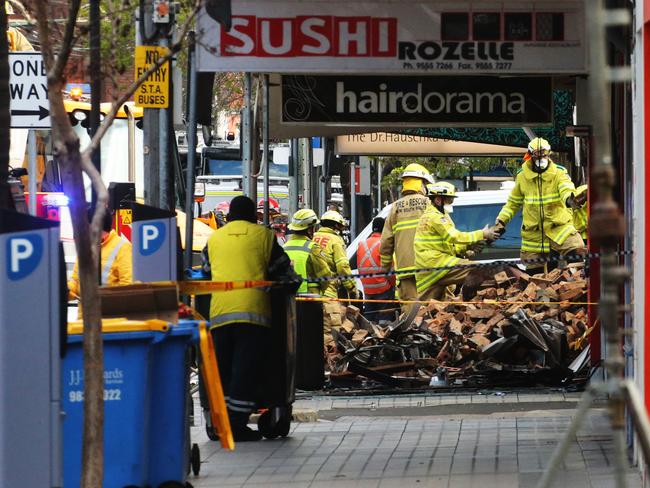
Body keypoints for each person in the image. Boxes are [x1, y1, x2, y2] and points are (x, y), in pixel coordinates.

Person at [203, 196, 299, 441]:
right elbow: (286, 275)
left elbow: (206, 273)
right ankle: (235, 426)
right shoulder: (265, 237)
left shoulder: (213, 240)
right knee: (244, 372)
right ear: (253, 216)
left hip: (219, 315)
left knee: (222, 371)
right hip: (253, 315)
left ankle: (219, 420)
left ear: (230, 216)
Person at [494, 138, 587, 272]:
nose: (542, 158)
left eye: (545, 155)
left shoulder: (559, 173)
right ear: (530, 155)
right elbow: (513, 203)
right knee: (535, 276)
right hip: (534, 235)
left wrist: (570, 199)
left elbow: (566, 188)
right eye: (538, 155)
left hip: (559, 229)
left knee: (576, 255)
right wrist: (501, 221)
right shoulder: (522, 177)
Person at [414, 182, 499, 301]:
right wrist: (482, 234)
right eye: (449, 200)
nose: (451, 203)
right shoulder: (435, 217)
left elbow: (447, 245)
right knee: (476, 269)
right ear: (438, 200)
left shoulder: (435, 215)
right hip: (437, 264)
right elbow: (454, 237)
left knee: (425, 310)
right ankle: (471, 300)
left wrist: (466, 247)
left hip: (431, 268)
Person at [379, 163, 433, 312]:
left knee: (410, 312)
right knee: (431, 311)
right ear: (422, 184)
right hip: (429, 268)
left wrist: (386, 269)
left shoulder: (395, 207)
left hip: (405, 270)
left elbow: (385, 242)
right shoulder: (430, 204)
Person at [68, 210, 132, 316]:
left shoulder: (122, 247)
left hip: (110, 320)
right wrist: (66, 290)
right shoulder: (85, 248)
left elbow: (128, 287)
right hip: (84, 319)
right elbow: (75, 281)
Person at [283, 208, 331, 295]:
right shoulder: (312, 248)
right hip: (309, 299)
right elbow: (325, 276)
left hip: (288, 298)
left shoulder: (284, 247)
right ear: (309, 230)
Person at [312, 210, 358, 299]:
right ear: (336, 225)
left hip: (311, 291)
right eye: (340, 226)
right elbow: (342, 267)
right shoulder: (336, 240)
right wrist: (351, 288)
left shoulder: (313, 237)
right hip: (328, 290)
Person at [357, 217, 396, 321]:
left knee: (370, 321)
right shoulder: (383, 244)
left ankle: (369, 336)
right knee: (384, 321)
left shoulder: (361, 244)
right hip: (383, 289)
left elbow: (360, 268)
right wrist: (393, 284)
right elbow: (390, 270)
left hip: (368, 289)